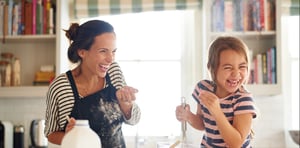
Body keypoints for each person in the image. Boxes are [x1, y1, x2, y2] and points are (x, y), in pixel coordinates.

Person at [44, 20, 141, 148]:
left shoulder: (113, 72)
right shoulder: (61, 86)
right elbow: (51, 133)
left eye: (113, 51)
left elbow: (134, 120)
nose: (110, 59)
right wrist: (70, 137)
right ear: (82, 52)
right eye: (103, 51)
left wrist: (126, 105)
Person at [175, 36, 257, 148]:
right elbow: (203, 124)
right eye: (228, 67)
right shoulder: (203, 88)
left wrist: (217, 111)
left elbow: (236, 143)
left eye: (242, 67)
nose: (236, 74)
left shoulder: (243, 100)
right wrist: (188, 116)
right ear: (211, 68)